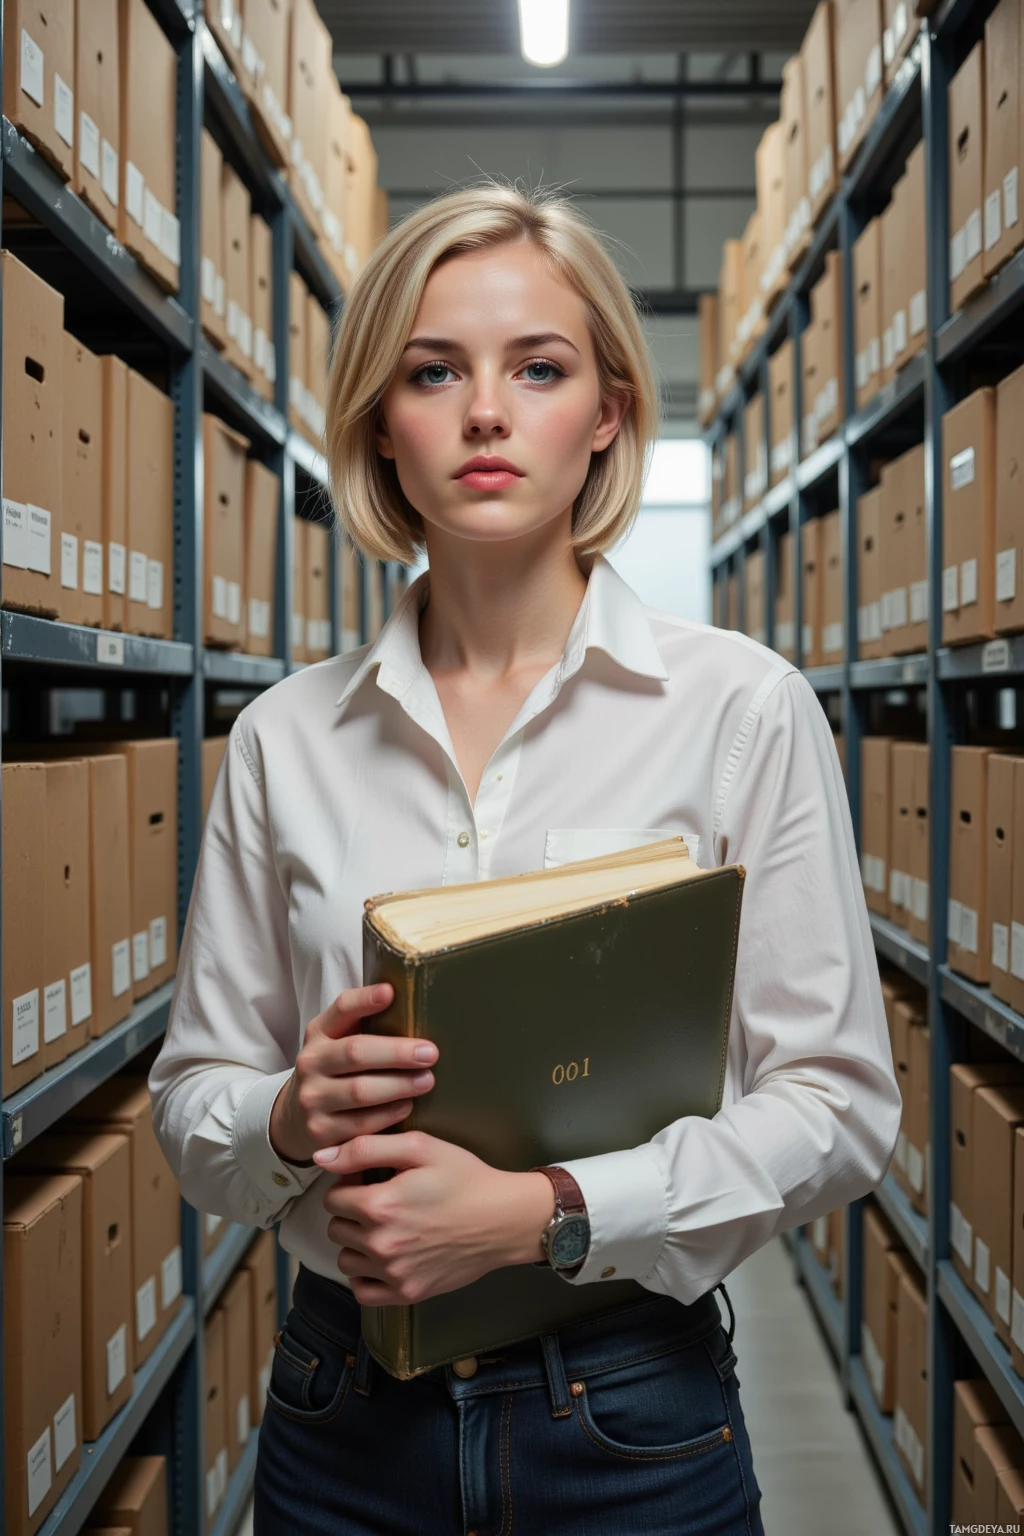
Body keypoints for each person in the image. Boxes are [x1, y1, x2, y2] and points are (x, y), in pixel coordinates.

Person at [150, 184, 901, 1536]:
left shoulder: (742, 710)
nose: (485, 412)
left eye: (537, 368)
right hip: (343, 1419)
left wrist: (544, 1213)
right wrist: (283, 1115)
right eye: (434, 371)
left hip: (631, 1414)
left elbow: (838, 1109)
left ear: (607, 409)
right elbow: (194, 1102)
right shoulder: (284, 740)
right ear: (384, 417)